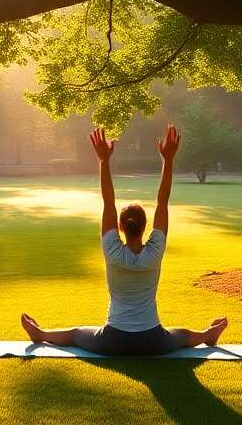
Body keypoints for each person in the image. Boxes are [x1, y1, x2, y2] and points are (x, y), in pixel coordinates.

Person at [20, 125, 228, 355]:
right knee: (179, 335)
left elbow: (108, 202)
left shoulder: (112, 250)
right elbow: (162, 202)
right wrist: (168, 160)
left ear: (120, 227)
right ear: (146, 226)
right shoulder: (155, 251)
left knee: (77, 333)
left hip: (113, 340)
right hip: (152, 340)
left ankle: (41, 335)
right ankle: (207, 335)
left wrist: (103, 160)